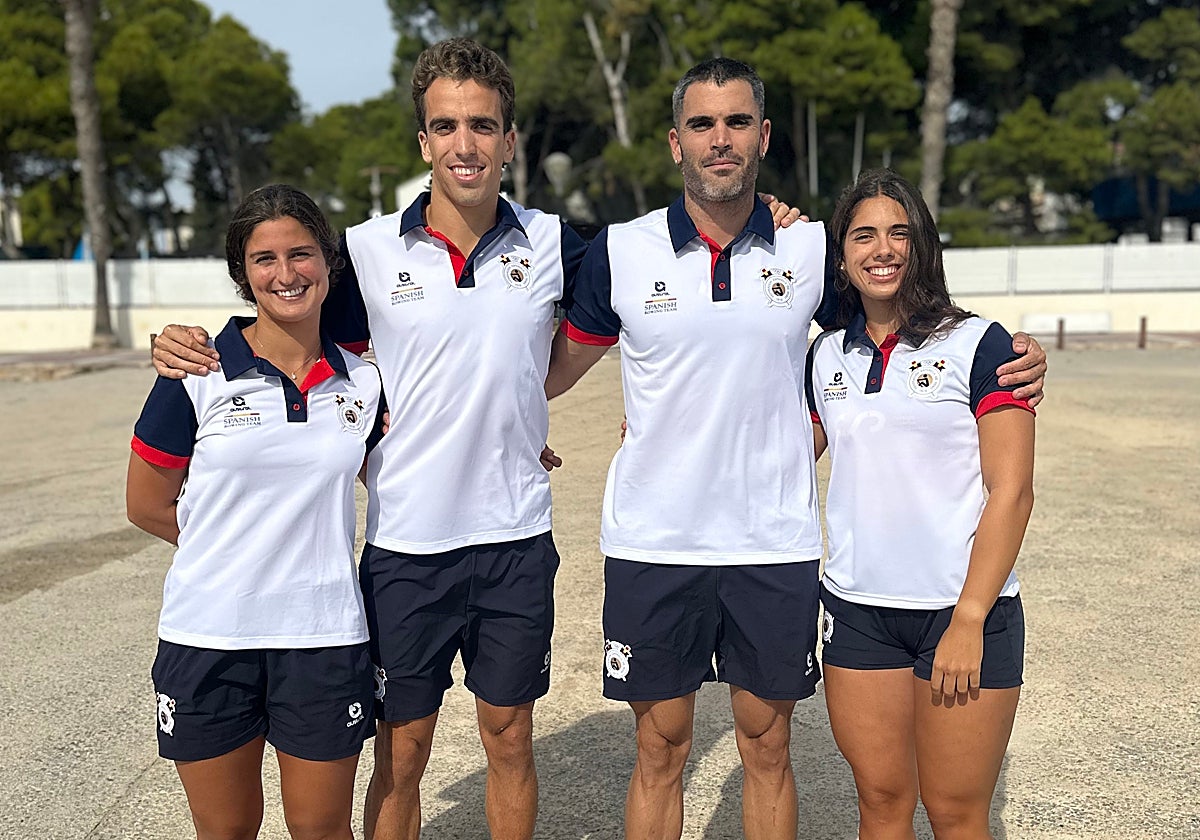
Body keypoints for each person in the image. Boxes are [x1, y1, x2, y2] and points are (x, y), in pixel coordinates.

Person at [149, 39, 804, 840]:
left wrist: (771, 216)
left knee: (510, 738)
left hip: (513, 539)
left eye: (483, 126)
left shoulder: (558, 243)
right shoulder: (365, 251)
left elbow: (669, 292)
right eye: (446, 126)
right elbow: (287, 320)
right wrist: (188, 341)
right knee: (403, 752)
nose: (466, 144)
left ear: (509, 140)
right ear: (423, 141)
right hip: (406, 545)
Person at [543, 59, 1046, 840]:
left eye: (737, 122)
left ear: (764, 135)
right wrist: (507, 436)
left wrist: (1011, 354)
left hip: (772, 547)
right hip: (652, 541)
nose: (720, 139)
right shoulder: (619, 250)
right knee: (659, 748)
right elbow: (547, 374)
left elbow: (899, 311)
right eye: (702, 124)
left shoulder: (809, 247)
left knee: (768, 746)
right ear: (675, 142)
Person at [126, 184, 385, 840]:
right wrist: (233, 552)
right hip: (209, 636)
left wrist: (523, 439)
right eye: (264, 259)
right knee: (226, 831)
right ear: (243, 274)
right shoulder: (195, 371)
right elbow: (146, 504)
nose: (285, 273)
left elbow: (416, 459)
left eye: (301, 254)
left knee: (322, 829)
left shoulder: (365, 382)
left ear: (327, 263)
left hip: (323, 638)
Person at [806, 169, 1034, 840]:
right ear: (842, 255)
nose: (883, 249)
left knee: (956, 813)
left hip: (962, 614)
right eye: (863, 235)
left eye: (899, 233)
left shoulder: (982, 344)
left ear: (923, 245)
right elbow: (776, 457)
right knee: (880, 802)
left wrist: (969, 618)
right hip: (858, 612)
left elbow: (1013, 491)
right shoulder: (825, 355)